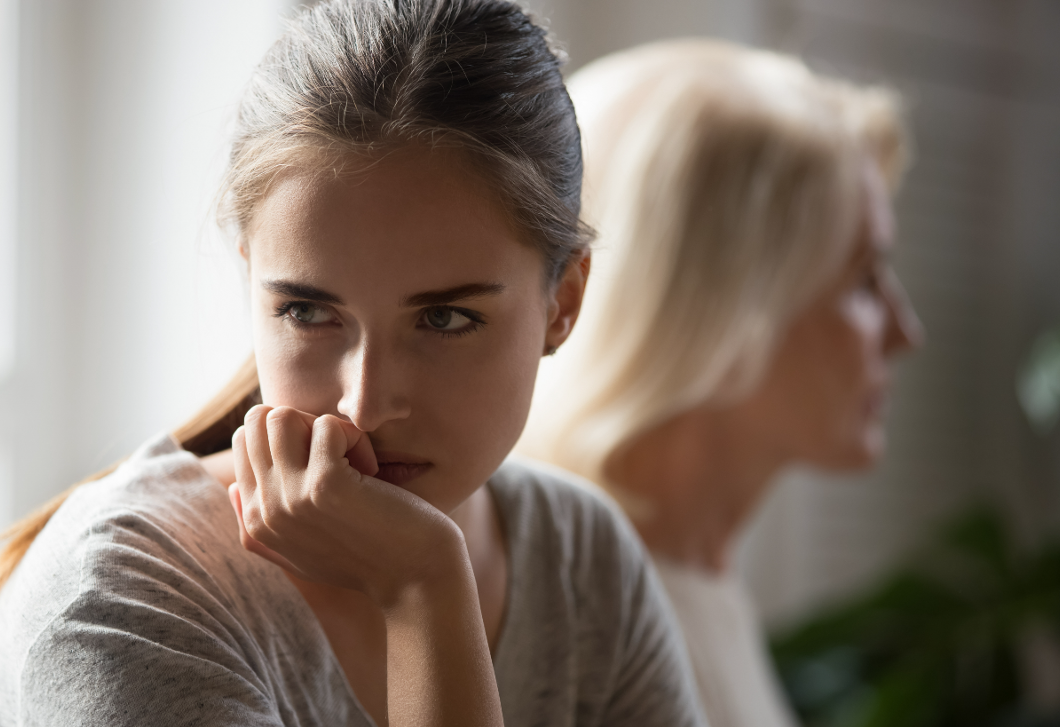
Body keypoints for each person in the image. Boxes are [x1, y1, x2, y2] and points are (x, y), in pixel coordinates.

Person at [0, 4, 707, 726]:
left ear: (563, 301)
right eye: (307, 311)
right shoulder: (122, 602)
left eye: (444, 318)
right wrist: (422, 587)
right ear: (253, 283)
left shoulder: (578, 557)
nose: (364, 406)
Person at [519, 39, 924, 727]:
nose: (904, 331)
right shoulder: (576, 612)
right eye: (862, 281)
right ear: (721, 311)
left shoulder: (694, 575)